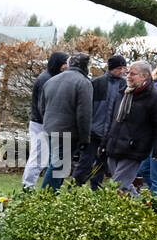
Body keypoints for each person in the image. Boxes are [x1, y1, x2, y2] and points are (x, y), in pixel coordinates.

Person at [103, 60, 157, 194]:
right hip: (114, 145)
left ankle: (122, 211)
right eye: (128, 73)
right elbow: (113, 120)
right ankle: (139, 208)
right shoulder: (124, 93)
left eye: (132, 74)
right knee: (124, 185)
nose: (128, 76)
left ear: (144, 76)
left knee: (117, 185)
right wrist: (105, 141)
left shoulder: (156, 97)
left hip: (133, 148)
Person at [37, 51, 92, 191]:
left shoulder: (51, 80)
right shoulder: (83, 82)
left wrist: (48, 123)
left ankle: (47, 196)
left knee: (57, 164)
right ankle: (45, 198)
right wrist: (85, 138)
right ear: (86, 66)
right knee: (58, 166)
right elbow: (84, 114)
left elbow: (42, 106)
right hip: (67, 131)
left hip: (50, 128)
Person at [75, 53, 127, 187]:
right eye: (119, 68)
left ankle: (96, 186)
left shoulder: (124, 85)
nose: (122, 71)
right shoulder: (96, 83)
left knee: (102, 164)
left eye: (124, 68)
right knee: (85, 162)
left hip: (111, 133)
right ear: (111, 68)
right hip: (94, 131)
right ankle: (75, 186)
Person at [23, 51, 68, 188]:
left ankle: (28, 185)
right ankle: (27, 186)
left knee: (41, 158)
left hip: (44, 123)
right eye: (65, 63)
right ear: (59, 64)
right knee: (38, 158)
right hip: (41, 124)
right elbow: (43, 106)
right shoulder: (46, 79)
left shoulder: (51, 77)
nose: (67, 66)